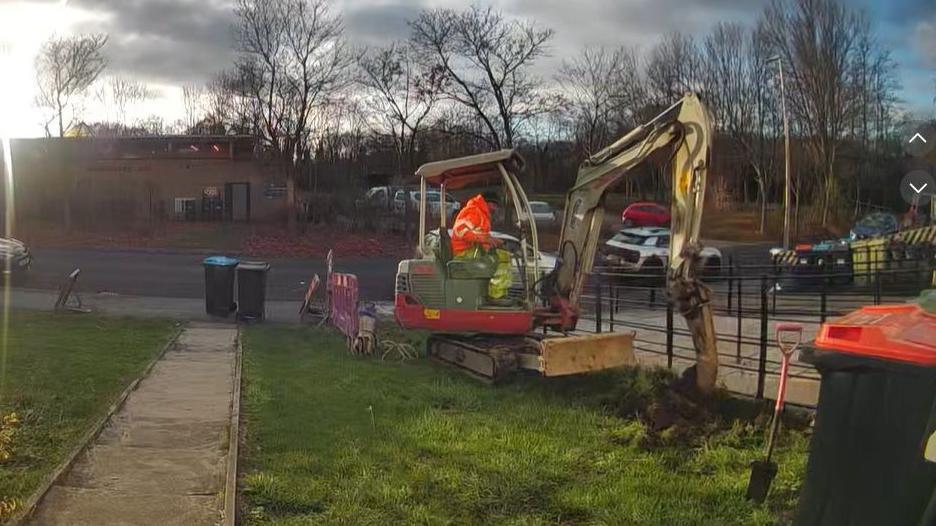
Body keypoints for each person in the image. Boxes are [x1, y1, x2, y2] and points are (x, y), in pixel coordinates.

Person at [450, 194, 512, 300]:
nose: (496, 209)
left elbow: (480, 235)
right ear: (489, 203)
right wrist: (485, 239)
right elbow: (460, 231)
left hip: (471, 251)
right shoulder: (473, 211)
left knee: (502, 255)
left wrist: (494, 241)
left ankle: (499, 292)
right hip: (464, 254)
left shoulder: (482, 214)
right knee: (502, 258)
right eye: (495, 206)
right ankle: (497, 295)